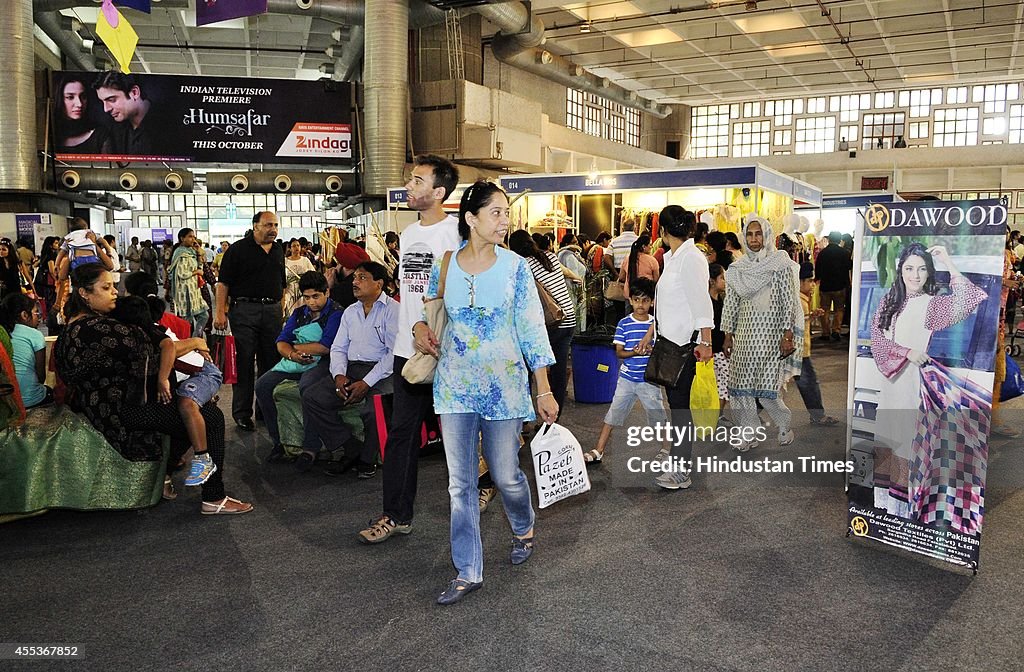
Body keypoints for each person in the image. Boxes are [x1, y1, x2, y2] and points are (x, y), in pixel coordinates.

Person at [421, 181, 558, 605]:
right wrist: (420, 330)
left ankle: (522, 524)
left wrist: (544, 391)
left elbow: (532, 330)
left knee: (505, 475)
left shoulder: (516, 266)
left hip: (504, 387)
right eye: (496, 212)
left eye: (506, 213)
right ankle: (468, 570)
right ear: (471, 218)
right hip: (455, 386)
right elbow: (428, 309)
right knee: (460, 484)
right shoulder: (445, 265)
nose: (505, 220)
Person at [53, 263, 251, 514]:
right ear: (84, 293)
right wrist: (194, 342)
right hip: (119, 410)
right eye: (106, 287)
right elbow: (154, 351)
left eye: (114, 286)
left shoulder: (82, 324)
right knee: (210, 416)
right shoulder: (96, 329)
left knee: (187, 408)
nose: (115, 292)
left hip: (109, 403)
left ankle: (166, 476)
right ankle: (213, 496)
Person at [358, 154, 459, 545]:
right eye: (410, 180)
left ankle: (482, 488)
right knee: (401, 434)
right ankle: (396, 515)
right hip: (408, 351)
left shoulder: (456, 235)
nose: (409, 187)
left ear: (439, 192)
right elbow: (412, 289)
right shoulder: (410, 232)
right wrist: (412, 327)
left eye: (418, 181)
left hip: (446, 352)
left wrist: (432, 330)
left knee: (460, 433)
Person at [869, 242, 987, 524]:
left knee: (909, 442)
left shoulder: (932, 305)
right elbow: (877, 341)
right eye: (909, 268)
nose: (915, 275)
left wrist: (947, 258)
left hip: (914, 385)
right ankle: (886, 508)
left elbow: (969, 298)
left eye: (922, 269)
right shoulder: (888, 302)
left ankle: (905, 510)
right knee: (889, 438)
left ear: (929, 273)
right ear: (900, 270)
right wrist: (905, 352)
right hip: (891, 383)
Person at [111, 295, 222, 489]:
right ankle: (168, 471)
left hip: (202, 373)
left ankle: (202, 458)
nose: (113, 293)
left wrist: (163, 379)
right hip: (186, 377)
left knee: (188, 406)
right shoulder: (139, 334)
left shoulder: (153, 333)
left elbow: (169, 347)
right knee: (182, 419)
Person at [641, 206, 715, 490]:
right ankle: (678, 463)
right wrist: (652, 332)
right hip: (670, 342)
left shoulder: (691, 258)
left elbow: (700, 301)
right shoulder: (673, 257)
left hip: (686, 345)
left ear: (662, 230)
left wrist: (706, 341)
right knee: (677, 406)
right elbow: (670, 303)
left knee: (680, 408)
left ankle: (681, 469)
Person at [305, 261, 398, 478]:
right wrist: (339, 375)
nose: (355, 282)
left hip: (384, 371)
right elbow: (338, 348)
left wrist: (366, 384)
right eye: (355, 277)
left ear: (379, 283)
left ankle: (367, 459)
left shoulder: (393, 310)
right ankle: (350, 447)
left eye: (362, 278)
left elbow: (393, 354)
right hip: (352, 368)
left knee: (374, 409)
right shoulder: (350, 312)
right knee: (313, 397)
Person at [722, 216, 803, 452]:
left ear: (767, 236)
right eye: (750, 234)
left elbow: (788, 300)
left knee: (766, 391)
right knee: (739, 387)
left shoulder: (780, 264)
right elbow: (731, 303)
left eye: (758, 234)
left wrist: (788, 335)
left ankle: (784, 425)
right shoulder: (738, 269)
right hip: (744, 337)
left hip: (771, 336)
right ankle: (749, 432)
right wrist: (727, 334)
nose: (754, 239)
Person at [254, 271, 343, 466]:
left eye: (316, 296)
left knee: (307, 388)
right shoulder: (299, 313)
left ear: (327, 292)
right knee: (262, 385)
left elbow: (325, 346)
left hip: (324, 362)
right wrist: (294, 354)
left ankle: (310, 447)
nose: (311, 302)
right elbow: (280, 342)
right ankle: (279, 442)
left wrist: (293, 348)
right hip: (296, 360)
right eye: (307, 297)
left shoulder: (336, 313)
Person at [214, 212, 286, 431]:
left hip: (272, 311)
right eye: (267, 225)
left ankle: (265, 409)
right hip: (244, 310)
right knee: (244, 361)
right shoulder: (237, 250)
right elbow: (223, 284)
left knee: (271, 360)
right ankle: (242, 413)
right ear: (255, 226)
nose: (272, 229)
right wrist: (219, 312)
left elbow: (281, 284)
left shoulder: (277, 250)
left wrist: (280, 309)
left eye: (275, 225)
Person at [587, 277, 667, 463]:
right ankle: (599, 450)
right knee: (613, 414)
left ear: (652, 302)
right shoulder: (624, 324)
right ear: (630, 300)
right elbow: (619, 353)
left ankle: (666, 449)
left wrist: (651, 350)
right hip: (627, 379)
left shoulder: (656, 324)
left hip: (650, 381)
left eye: (645, 300)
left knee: (658, 417)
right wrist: (635, 353)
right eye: (637, 300)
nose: (641, 304)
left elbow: (661, 350)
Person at [508, 230, 578, 416]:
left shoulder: (523, 265)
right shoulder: (550, 257)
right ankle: (554, 417)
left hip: (550, 322)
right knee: (558, 369)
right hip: (567, 318)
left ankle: (523, 417)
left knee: (529, 368)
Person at [796, 263, 838, 426]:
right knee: (809, 383)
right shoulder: (798, 301)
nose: (813, 285)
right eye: (810, 281)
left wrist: (810, 316)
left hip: (797, 350)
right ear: (799, 282)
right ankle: (818, 416)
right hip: (796, 351)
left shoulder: (801, 300)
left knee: (771, 385)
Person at [1, 293, 52, 408]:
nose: (38, 317)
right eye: (36, 313)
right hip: (31, 400)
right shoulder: (35, 335)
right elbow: (41, 377)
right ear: (24, 315)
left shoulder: (3, 332)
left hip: (6, 402)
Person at [93, 71, 156, 156]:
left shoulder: (168, 125)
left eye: (111, 100)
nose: (106, 109)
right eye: (102, 101)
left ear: (134, 93)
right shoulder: (112, 130)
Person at [167, 228, 209, 338]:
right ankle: (189, 345)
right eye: (190, 237)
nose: (193, 239)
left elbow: (200, 267)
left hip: (194, 291)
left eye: (194, 237)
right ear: (182, 238)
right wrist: (197, 272)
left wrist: (199, 253)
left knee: (204, 315)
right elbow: (182, 273)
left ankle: (196, 338)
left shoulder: (191, 252)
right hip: (184, 293)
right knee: (186, 323)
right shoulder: (180, 253)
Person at [54, 74, 108, 155]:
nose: (79, 104)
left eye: (83, 96)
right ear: (59, 99)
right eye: (70, 97)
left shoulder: (101, 134)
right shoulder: (50, 134)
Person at [815, 231, 851, 341]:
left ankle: (825, 333)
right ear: (840, 240)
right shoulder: (844, 253)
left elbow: (818, 269)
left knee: (824, 309)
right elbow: (848, 268)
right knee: (839, 309)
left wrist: (817, 279)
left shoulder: (823, 253)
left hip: (825, 286)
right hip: (840, 286)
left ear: (829, 239)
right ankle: (836, 330)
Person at [618, 234, 660, 299]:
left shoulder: (627, 259)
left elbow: (621, 277)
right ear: (644, 246)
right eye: (650, 244)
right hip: (646, 295)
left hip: (629, 295)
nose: (651, 247)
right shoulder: (652, 260)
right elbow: (656, 279)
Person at [283, 238, 316, 317]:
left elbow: (313, 274)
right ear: (290, 248)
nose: (296, 247)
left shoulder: (305, 260)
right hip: (290, 292)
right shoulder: (285, 261)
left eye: (298, 245)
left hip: (303, 291)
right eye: (294, 246)